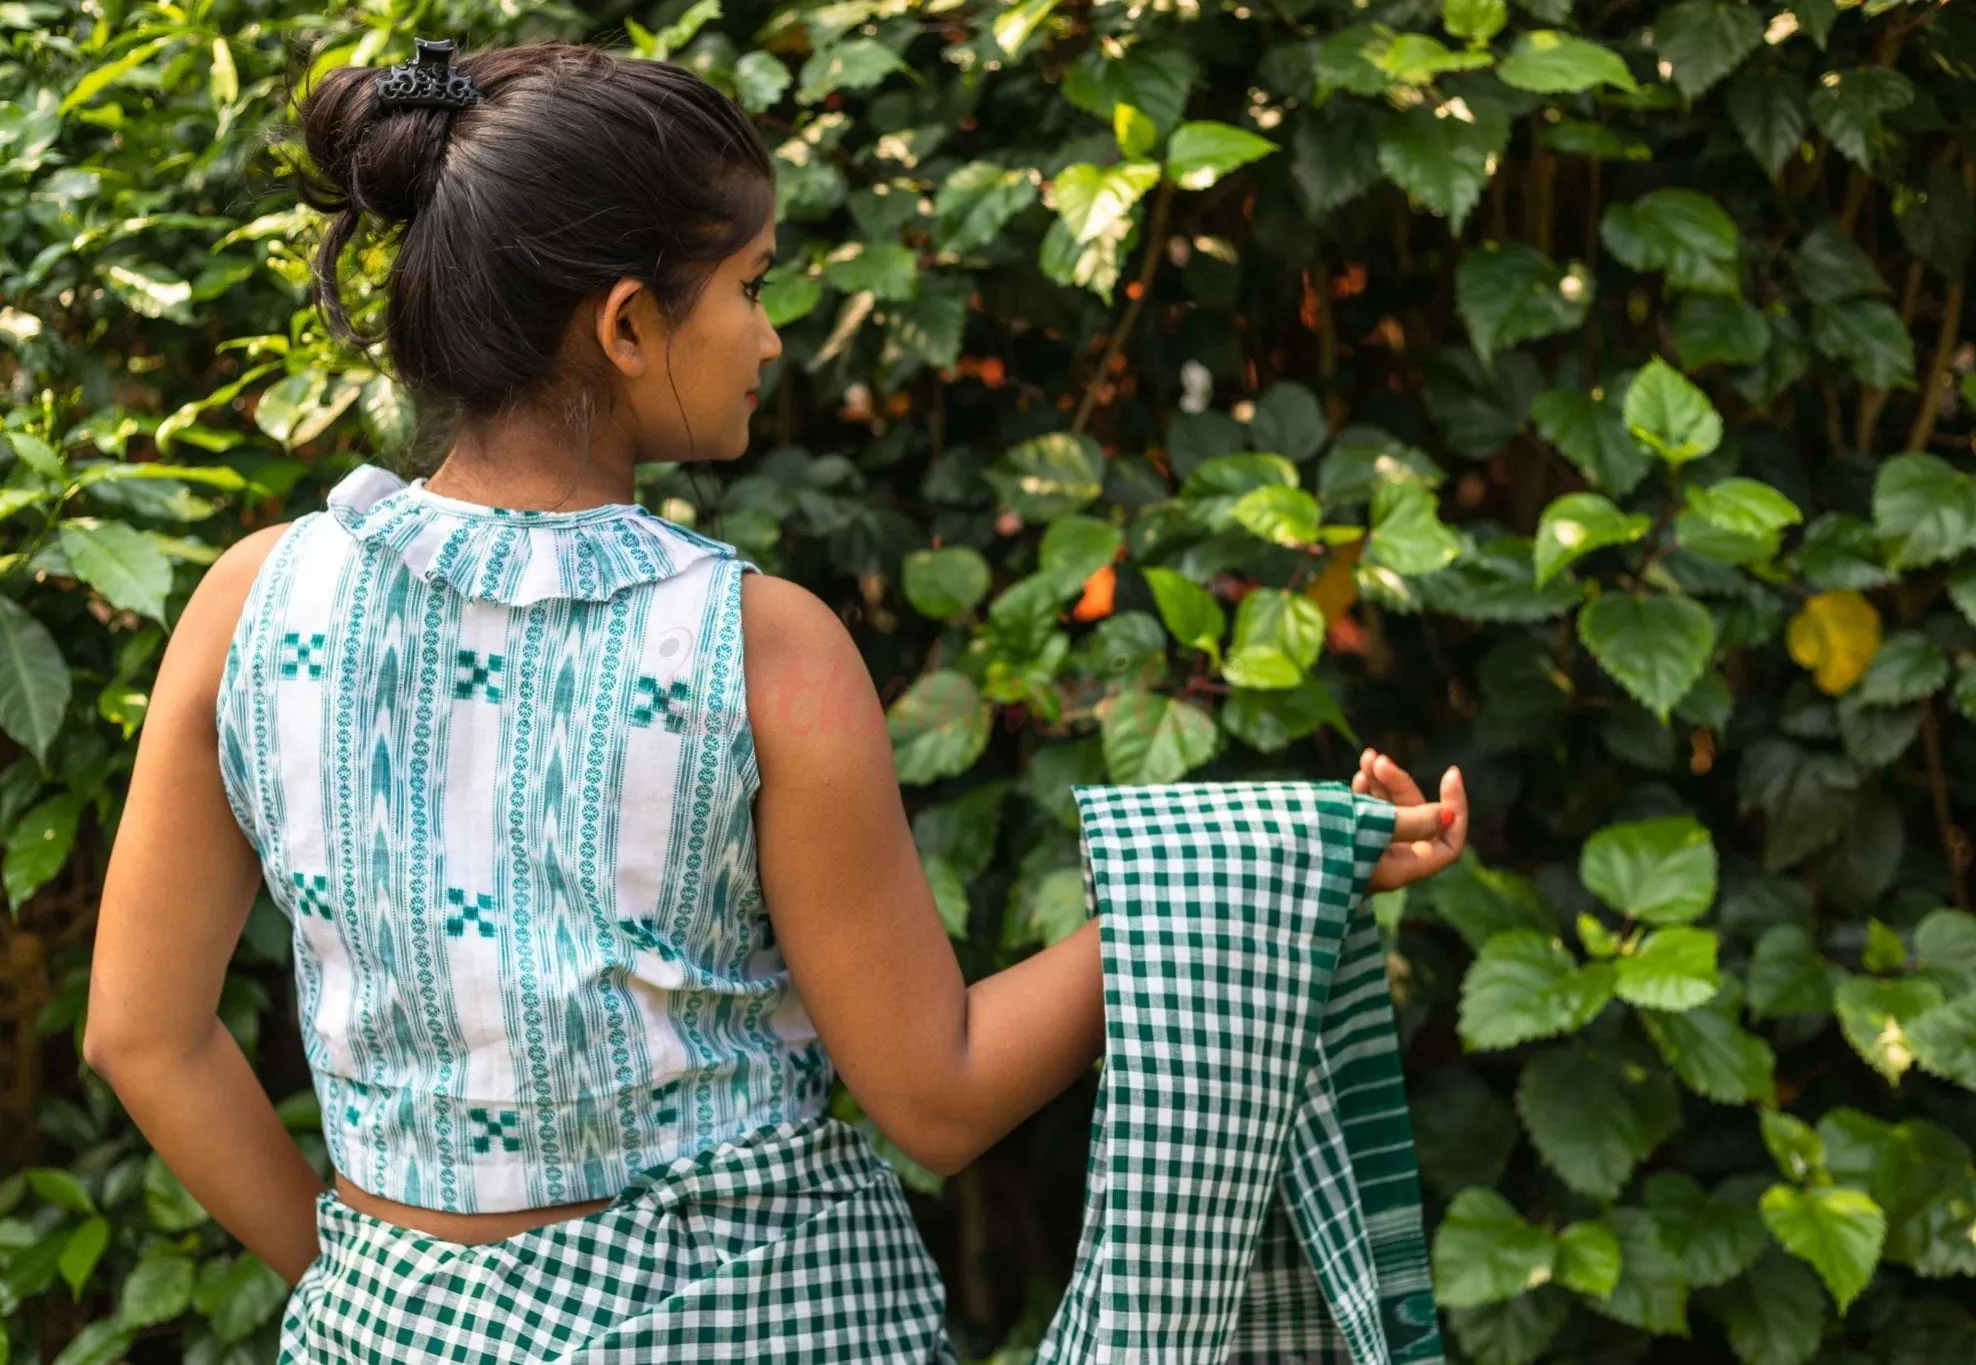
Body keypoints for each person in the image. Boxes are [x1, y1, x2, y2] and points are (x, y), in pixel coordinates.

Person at [84, 37, 1469, 1361]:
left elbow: (141, 1034)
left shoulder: (255, 602)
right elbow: (939, 1093)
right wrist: (1280, 874)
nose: (770, 336)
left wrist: (365, 1290)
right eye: (751, 284)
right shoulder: (758, 648)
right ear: (628, 324)